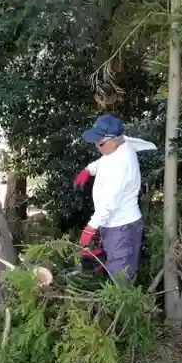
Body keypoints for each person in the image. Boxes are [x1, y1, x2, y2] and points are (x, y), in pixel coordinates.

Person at [74, 114, 144, 281]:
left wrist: (91, 228)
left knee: (121, 278)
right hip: (116, 224)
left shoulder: (121, 163)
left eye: (100, 143)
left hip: (121, 227)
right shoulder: (118, 147)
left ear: (114, 140)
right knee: (113, 264)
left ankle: (123, 306)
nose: (97, 146)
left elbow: (109, 204)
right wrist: (89, 169)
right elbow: (104, 161)